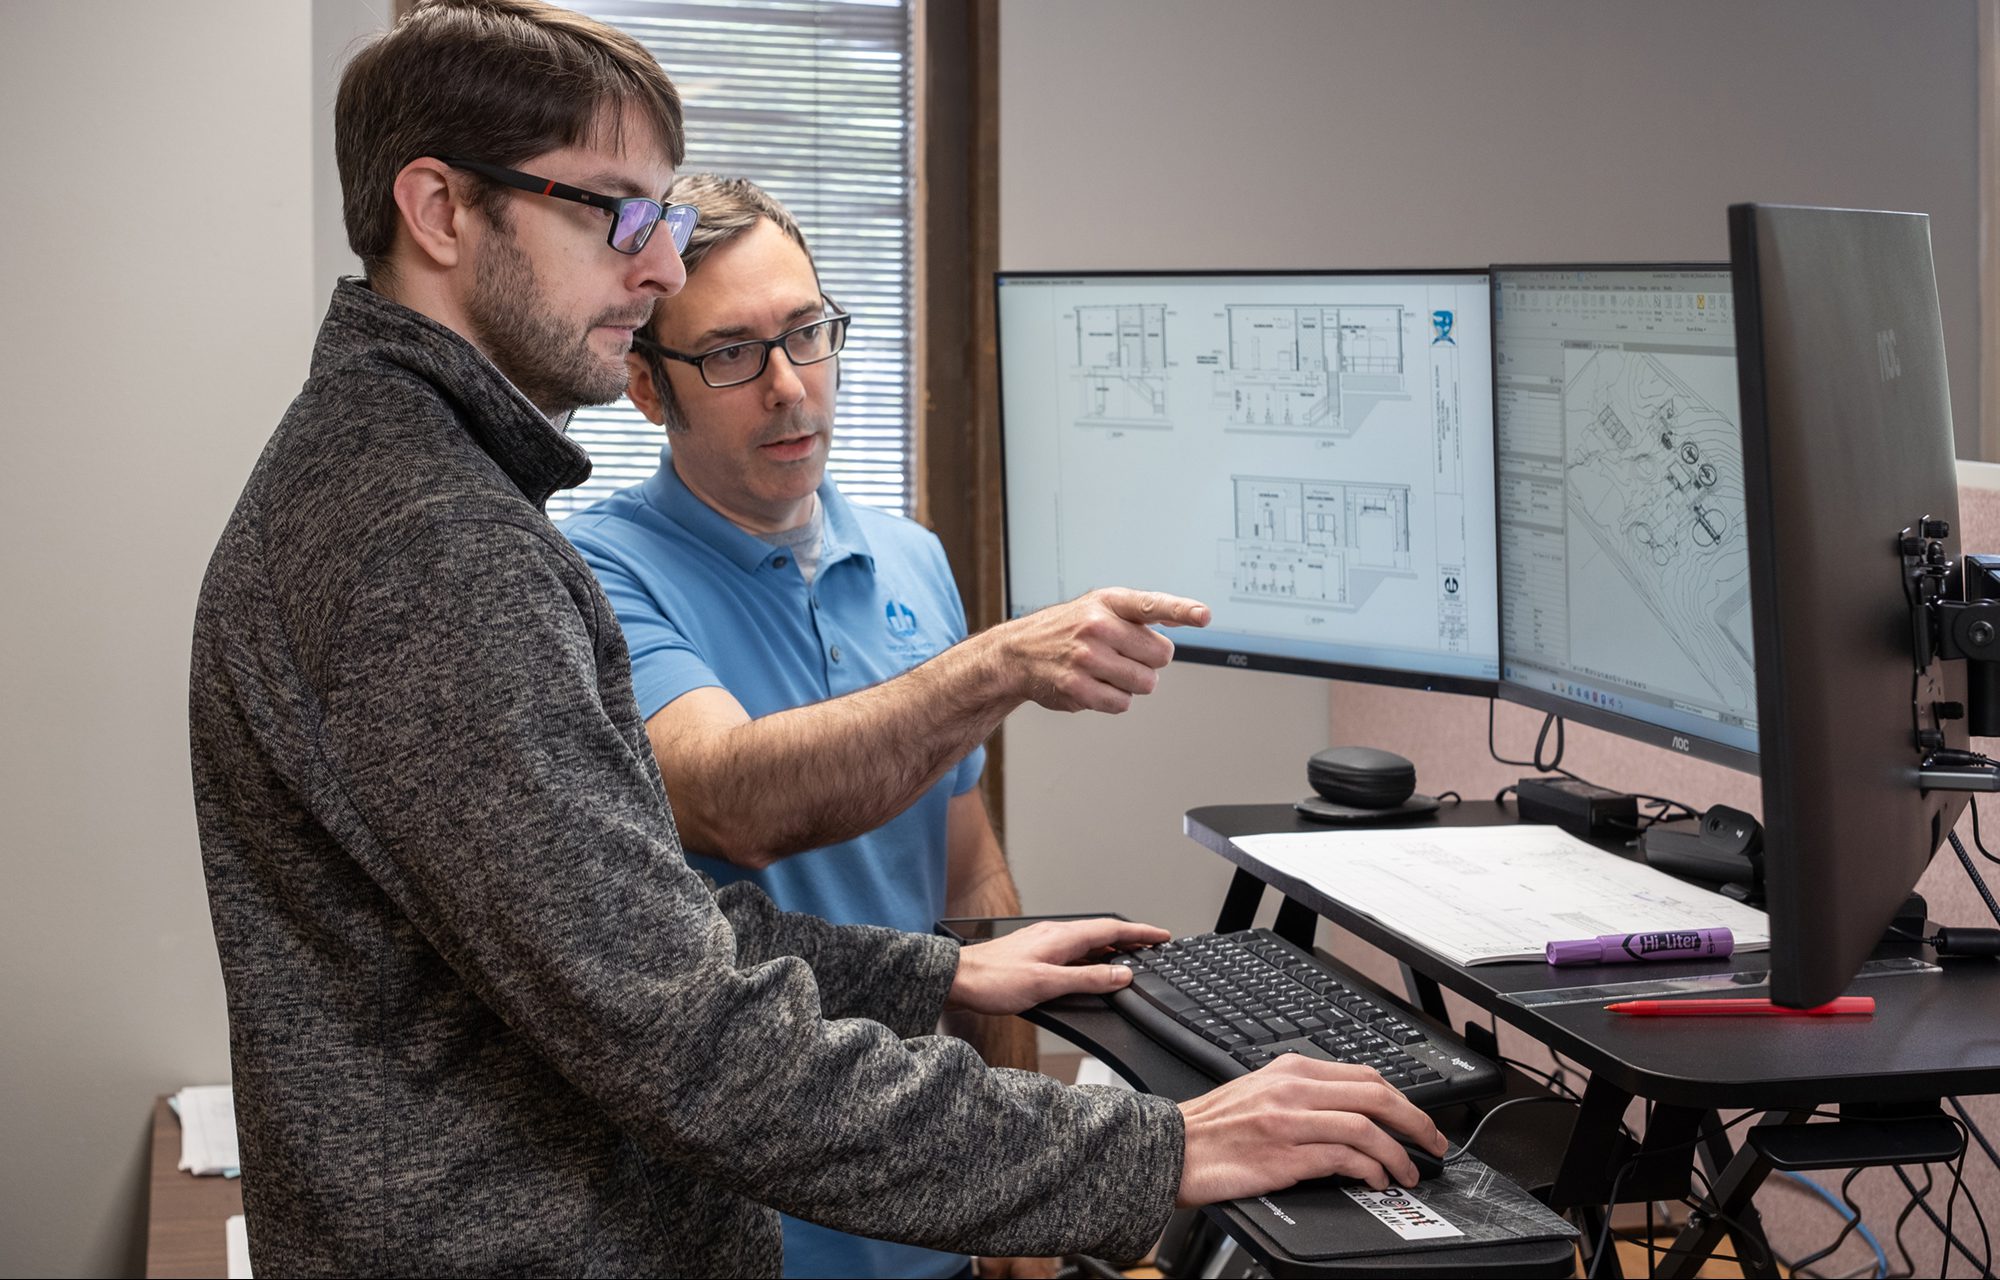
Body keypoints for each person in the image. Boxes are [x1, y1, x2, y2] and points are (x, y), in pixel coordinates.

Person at [186, 1, 1447, 1274]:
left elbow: (629, 932)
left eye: (662, 220)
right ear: (441, 210)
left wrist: (933, 977)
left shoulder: (407, 482)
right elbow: (682, 1029)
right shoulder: (436, 541)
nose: (660, 269)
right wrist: (1155, 1148)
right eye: (612, 213)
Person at [560, 175, 1202, 1279]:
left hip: (930, 1194)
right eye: (728, 352)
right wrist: (994, 663)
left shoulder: (910, 558)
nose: (786, 386)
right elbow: (729, 797)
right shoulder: (593, 575)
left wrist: (1022, 1193)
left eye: (806, 334)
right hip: (738, 1226)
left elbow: (968, 870)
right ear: (642, 386)